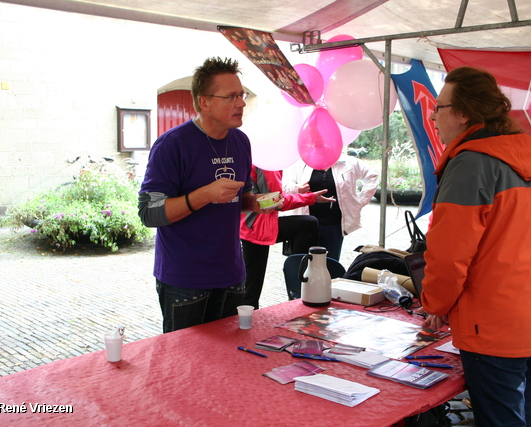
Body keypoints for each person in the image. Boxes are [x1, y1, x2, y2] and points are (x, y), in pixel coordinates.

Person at [420, 67, 531, 427]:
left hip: (493, 326)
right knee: (527, 419)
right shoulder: (515, 159)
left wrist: (435, 305)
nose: (433, 116)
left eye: (439, 107)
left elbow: (449, 255)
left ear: (464, 113)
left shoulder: (470, 162)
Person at [138, 57, 272, 333]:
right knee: (185, 367)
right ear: (204, 103)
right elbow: (148, 213)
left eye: (242, 94)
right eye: (231, 96)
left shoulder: (240, 141)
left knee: (227, 362)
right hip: (185, 280)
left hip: (232, 275)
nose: (241, 103)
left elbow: (241, 197)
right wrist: (205, 195)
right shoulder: (172, 145)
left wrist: (254, 202)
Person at [240, 167, 335, 309]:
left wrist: (296, 190)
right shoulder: (267, 165)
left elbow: (273, 194)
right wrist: (311, 198)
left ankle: (297, 287)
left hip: (250, 224)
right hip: (257, 226)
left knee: (251, 281)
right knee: (251, 285)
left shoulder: (259, 160)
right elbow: (274, 200)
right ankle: (298, 287)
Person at [282, 155, 379, 261]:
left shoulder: (349, 163)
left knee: (330, 262)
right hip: (306, 223)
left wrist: (361, 201)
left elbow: (372, 176)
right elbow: (284, 182)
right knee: (303, 262)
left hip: (334, 224)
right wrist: (297, 188)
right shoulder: (302, 162)